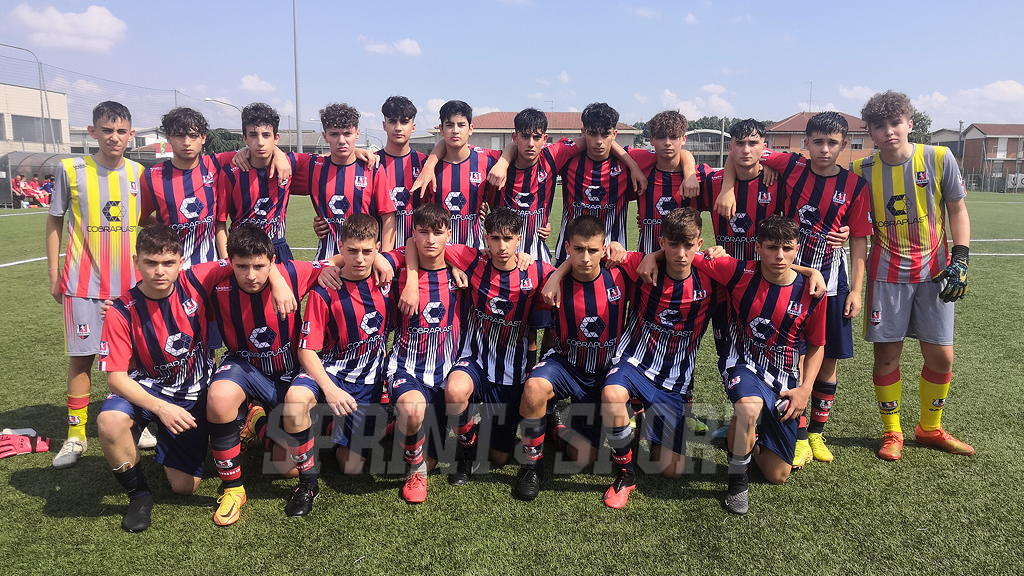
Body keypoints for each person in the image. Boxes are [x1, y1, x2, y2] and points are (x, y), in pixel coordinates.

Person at [740, 111, 871, 464]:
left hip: (833, 283)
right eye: (818, 142)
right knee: (795, 356)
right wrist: (769, 166)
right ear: (806, 143)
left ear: (844, 145)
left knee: (828, 359)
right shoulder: (792, 167)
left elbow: (859, 239)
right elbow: (749, 152)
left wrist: (857, 290)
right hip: (794, 280)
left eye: (833, 143)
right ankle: (797, 435)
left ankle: (816, 433)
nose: (825, 149)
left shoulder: (855, 186)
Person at [852, 91, 974, 461]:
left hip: (936, 273)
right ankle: (893, 432)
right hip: (886, 276)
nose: (889, 131)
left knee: (942, 357)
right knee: (888, 356)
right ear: (870, 131)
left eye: (895, 123)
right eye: (879, 126)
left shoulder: (938, 157)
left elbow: (957, 209)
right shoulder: (861, 170)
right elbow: (852, 222)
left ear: (910, 123)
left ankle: (930, 428)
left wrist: (961, 257)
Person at [96, 226, 235, 532]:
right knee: (110, 421)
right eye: (151, 263)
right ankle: (139, 495)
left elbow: (246, 261)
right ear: (137, 261)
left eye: (168, 263)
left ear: (180, 262)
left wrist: (279, 280)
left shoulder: (196, 280)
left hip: (193, 392)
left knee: (185, 486)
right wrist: (161, 408)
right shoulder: (121, 310)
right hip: (145, 387)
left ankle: (174, 442)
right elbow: (116, 379)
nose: (159, 271)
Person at [692, 215, 827, 515]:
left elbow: (817, 345)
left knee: (777, 475)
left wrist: (805, 390)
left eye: (787, 248)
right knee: (748, 407)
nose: (779, 256)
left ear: (797, 249)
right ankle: (737, 484)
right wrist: (652, 257)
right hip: (743, 363)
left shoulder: (812, 291)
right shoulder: (739, 272)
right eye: (772, 247)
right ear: (758, 247)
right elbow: (686, 252)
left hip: (785, 377)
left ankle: (743, 435)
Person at [204, 224, 330, 526]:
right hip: (245, 367)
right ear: (229, 262)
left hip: (289, 372)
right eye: (242, 267)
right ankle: (233, 489)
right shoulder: (215, 280)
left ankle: (258, 423)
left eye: (259, 266)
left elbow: (339, 261)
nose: (251, 275)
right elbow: (167, 279)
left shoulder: (291, 272)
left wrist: (278, 280)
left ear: (272, 262)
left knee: (287, 467)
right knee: (219, 398)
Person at [45, 101, 145, 469]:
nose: (113, 137)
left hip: (130, 287)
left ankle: (137, 423)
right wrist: (54, 274)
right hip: (82, 283)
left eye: (120, 131)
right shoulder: (70, 170)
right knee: (82, 358)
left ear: (131, 135)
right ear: (92, 132)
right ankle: (76, 434)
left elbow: (148, 221)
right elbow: (55, 221)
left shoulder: (139, 173)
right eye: (106, 130)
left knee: (134, 359)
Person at [515, 215, 642, 501]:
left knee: (584, 458)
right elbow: (510, 261)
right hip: (566, 365)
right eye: (579, 249)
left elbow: (661, 259)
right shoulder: (552, 279)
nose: (585, 258)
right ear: (567, 248)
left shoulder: (620, 275)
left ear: (604, 249)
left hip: (604, 374)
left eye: (593, 250)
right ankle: (531, 466)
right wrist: (553, 271)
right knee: (534, 387)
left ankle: (555, 427)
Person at [598, 208, 717, 509]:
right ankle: (626, 474)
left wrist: (811, 272)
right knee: (612, 393)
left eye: (688, 245)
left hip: (674, 379)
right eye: (673, 245)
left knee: (671, 470)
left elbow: (762, 269)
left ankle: (643, 417)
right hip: (634, 361)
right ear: (662, 242)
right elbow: (600, 253)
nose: (681, 253)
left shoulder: (712, 276)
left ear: (699, 243)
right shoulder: (643, 265)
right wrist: (615, 247)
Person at [282, 214, 393, 517]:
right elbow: (307, 350)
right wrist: (329, 390)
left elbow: (425, 252)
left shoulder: (387, 282)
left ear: (378, 249)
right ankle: (307, 485)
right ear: (340, 247)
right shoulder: (325, 289)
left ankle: (335, 426)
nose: (360, 259)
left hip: (366, 381)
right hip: (329, 372)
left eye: (367, 251)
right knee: (296, 400)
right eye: (352, 250)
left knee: (351, 467)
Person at [439, 208, 554, 486]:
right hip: (475, 359)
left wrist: (557, 272)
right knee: (454, 390)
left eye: (508, 238)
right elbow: (430, 245)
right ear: (485, 238)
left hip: (511, 370)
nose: (501, 246)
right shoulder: (474, 261)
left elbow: (570, 269)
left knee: (499, 457)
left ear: (519, 239)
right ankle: (466, 456)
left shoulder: (535, 270)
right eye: (495, 238)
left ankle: (485, 433)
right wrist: (455, 266)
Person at [376, 203, 466, 503]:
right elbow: (368, 256)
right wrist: (411, 278)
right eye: (423, 232)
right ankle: (416, 472)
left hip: (445, 373)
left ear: (449, 234)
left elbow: (500, 256)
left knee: (434, 457)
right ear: (413, 233)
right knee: (413, 413)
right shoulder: (399, 269)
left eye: (437, 233)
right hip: (407, 368)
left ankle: (400, 426)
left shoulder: (462, 269)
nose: (430, 240)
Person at [140, 107, 291, 267]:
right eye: (179, 135)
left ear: (203, 138)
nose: (186, 142)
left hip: (210, 266)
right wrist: (167, 229)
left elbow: (257, 149)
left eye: (193, 135)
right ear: (168, 138)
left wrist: (279, 154)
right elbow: (142, 218)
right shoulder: (151, 176)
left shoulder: (217, 164)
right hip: (172, 267)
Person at [216, 103, 298, 263]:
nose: (260, 142)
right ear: (244, 138)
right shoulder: (231, 174)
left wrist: (278, 153)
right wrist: (226, 261)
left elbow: (330, 159)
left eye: (266, 135)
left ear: (276, 138)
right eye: (253, 135)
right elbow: (220, 223)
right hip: (242, 252)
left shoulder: (290, 164)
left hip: (278, 248)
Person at [377, 96, 427, 247]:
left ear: (413, 126)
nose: (398, 127)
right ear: (384, 125)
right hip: (378, 252)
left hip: (419, 251)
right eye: (392, 121)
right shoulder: (371, 162)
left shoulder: (425, 164)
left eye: (404, 122)